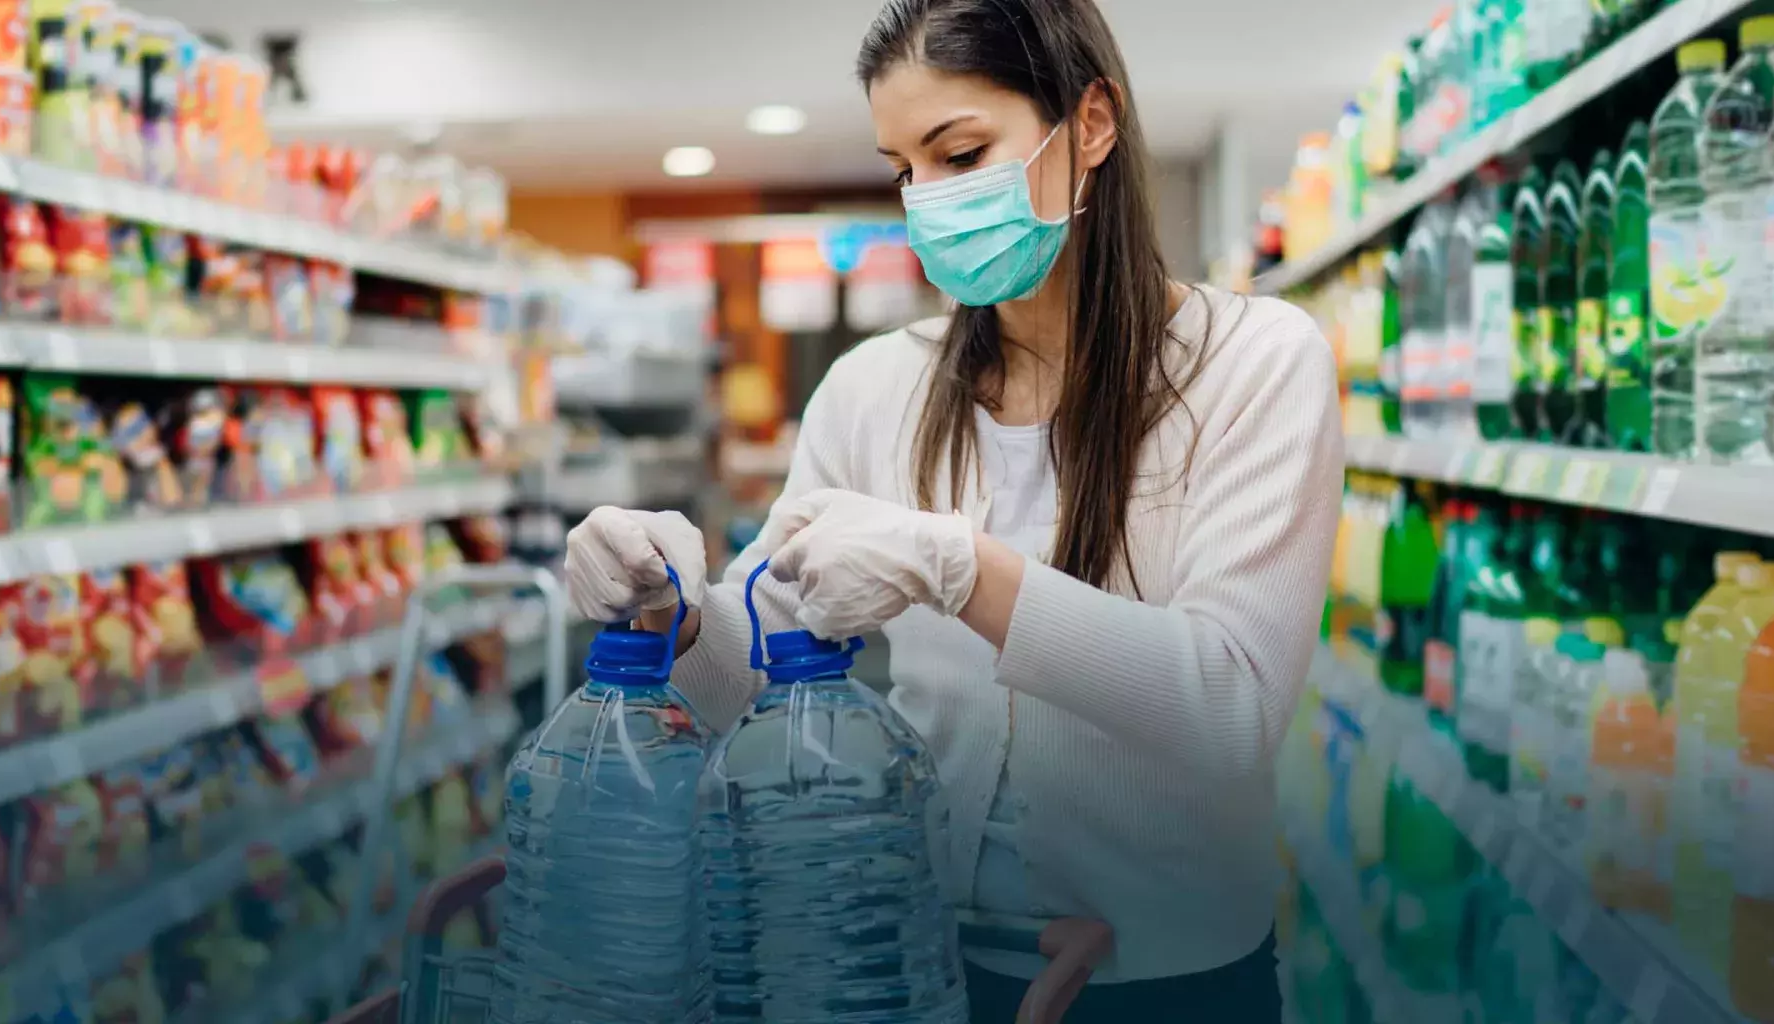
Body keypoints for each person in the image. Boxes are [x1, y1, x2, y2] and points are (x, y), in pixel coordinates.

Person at [563, 0, 1344, 1019]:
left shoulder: (1255, 365)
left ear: (1091, 125)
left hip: (1168, 978)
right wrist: (675, 611)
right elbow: (751, 676)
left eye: (961, 151)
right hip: (912, 959)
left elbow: (1230, 709)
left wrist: (965, 570)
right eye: (904, 169)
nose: (926, 200)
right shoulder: (873, 388)